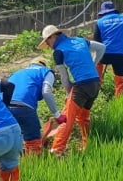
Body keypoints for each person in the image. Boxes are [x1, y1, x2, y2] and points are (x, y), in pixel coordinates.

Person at [38, 25, 104, 157]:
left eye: (47, 41)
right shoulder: (80, 40)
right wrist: (94, 63)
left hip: (82, 86)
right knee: (83, 117)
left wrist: (69, 92)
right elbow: (102, 48)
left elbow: (64, 76)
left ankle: (57, 150)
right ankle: (87, 145)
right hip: (95, 83)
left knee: (66, 118)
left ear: (53, 36)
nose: (48, 45)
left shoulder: (58, 51)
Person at [6, 58, 64, 155]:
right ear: (44, 65)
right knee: (33, 143)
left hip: (5, 109)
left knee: (10, 145)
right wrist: (57, 115)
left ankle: (9, 168)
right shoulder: (46, 71)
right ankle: (33, 165)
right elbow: (46, 92)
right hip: (24, 107)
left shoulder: (16, 73)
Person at [92, 0, 123, 97]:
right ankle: (120, 100)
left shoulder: (99, 22)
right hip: (121, 54)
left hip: (104, 54)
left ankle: (97, 86)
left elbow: (96, 41)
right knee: (120, 78)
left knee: (97, 62)